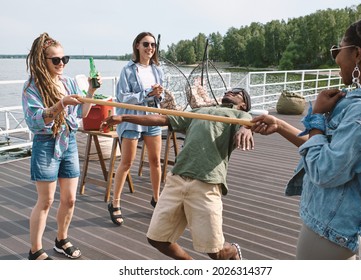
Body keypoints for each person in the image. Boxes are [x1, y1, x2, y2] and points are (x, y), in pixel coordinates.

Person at [250, 17, 361, 260]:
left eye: (338, 50)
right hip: (340, 230)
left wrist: (316, 117)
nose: (335, 58)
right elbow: (328, 153)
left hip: (328, 233)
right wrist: (281, 125)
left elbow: (324, 169)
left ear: (357, 54)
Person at [100, 87, 253, 260]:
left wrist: (247, 128)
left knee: (215, 251)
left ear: (243, 104)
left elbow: (248, 123)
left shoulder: (240, 116)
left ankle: (232, 250)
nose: (230, 92)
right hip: (177, 178)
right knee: (157, 239)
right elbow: (161, 119)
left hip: (206, 183)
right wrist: (123, 118)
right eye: (229, 91)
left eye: (237, 93)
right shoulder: (200, 111)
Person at [22, 32, 101, 260]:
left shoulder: (68, 82)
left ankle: (61, 239)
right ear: (41, 61)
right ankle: (35, 250)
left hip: (69, 142)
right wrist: (61, 103)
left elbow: (81, 115)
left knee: (70, 199)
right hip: (46, 143)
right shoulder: (32, 87)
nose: (61, 64)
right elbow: (35, 120)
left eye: (64, 59)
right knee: (46, 201)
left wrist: (91, 92)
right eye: (56, 60)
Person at [108, 32, 164, 226]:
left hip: (153, 117)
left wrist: (158, 94)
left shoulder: (158, 71)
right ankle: (114, 203)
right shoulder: (128, 70)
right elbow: (123, 97)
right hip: (133, 119)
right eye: (146, 44)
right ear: (137, 46)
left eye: (153, 45)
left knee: (156, 161)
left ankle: (156, 199)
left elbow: (160, 98)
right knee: (127, 162)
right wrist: (147, 93)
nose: (150, 48)